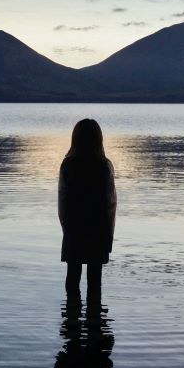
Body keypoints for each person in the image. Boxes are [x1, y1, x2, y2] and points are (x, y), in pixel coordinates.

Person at [58, 119, 117, 306]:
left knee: (72, 279)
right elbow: (110, 204)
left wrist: (66, 229)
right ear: (99, 139)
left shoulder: (68, 165)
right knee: (95, 282)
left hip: (74, 227)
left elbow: (63, 200)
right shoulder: (104, 166)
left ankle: (72, 325)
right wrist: (109, 236)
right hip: (98, 229)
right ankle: (95, 327)